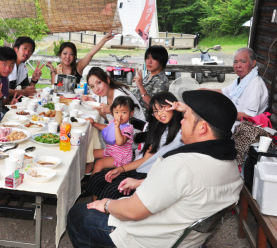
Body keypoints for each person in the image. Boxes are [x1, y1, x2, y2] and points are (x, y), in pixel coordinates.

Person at [67, 90, 244, 248]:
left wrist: (105, 204)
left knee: (79, 213)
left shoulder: (180, 165)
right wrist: (141, 182)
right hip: (185, 240)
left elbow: (131, 211)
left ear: (202, 128)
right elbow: (185, 187)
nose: (181, 120)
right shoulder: (232, 169)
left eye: (186, 117)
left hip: (148, 239)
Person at [84, 91, 183, 200]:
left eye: (162, 107)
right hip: (141, 170)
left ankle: (102, 213)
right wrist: (120, 170)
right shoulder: (157, 129)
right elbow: (145, 160)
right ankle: (95, 208)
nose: (159, 114)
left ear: (174, 105)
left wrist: (184, 108)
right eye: (155, 111)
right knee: (98, 179)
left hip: (153, 176)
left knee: (110, 190)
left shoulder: (183, 132)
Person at [201, 47, 268, 129]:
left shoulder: (255, 84)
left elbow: (249, 115)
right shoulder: (242, 79)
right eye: (235, 62)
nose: (238, 66)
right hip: (233, 120)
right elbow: (224, 91)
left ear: (253, 63)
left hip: (243, 127)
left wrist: (222, 114)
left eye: (243, 62)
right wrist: (204, 91)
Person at [88, 96, 135, 176]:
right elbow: (107, 128)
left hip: (121, 157)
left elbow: (120, 142)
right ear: (112, 112)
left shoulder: (128, 129)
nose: (120, 116)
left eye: (124, 112)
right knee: (90, 153)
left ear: (131, 113)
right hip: (111, 151)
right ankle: (87, 173)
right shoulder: (113, 122)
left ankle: (92, 184)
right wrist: (94, 124)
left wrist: (117, 127)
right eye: (116, 112)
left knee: (99, 163)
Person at [46, 31, 115, 84]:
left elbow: (90, 54)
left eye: (71, 54)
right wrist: (52, 68)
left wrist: (104, 39)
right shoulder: (57, 69)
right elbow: (54, 86)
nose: (67, 57)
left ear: (74, 56)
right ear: (60, 55)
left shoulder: (78, 66)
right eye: (65, 53)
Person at [132, 45, 169, 118]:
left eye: (154, 58)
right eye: (147, 58)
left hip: (144, 120)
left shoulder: (162, 80)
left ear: (162, 61)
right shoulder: (148, 76)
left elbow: (154, 108)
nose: (149, 61)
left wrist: (141, 87)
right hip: (133, 114)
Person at [0, 47, 22, 122]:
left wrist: (11, 104)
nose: (7, 69)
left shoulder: (5, 79)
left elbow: (4, 103)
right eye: (4, 64)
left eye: (11, 65)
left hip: (2, 113)